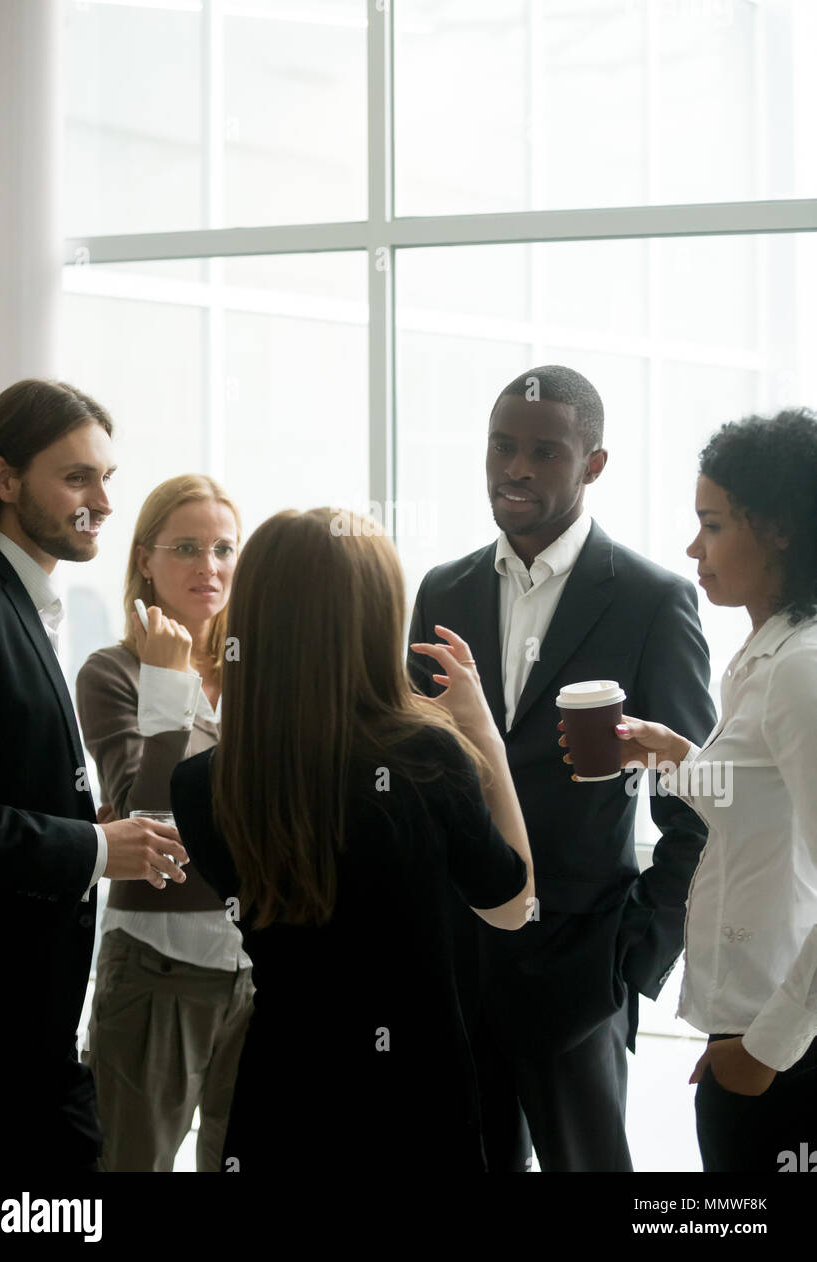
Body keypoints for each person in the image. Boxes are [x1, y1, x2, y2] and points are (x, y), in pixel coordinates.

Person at [407, 365, 716, 1172]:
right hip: (456, 962)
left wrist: (634, 957)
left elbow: (696, 804)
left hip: (583, 970)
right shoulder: (444, 589)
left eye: (545, 453)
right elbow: (417, 776)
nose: (515, 469)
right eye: (502, 447)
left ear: (594, 464)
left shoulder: (652, 600)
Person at [171, 507, 535, 1172]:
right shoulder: (427, 757)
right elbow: (513, 906)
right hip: (414, 1105)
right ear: (372, 624)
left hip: (283, 1095)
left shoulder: (201, 786)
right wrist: (484, 737)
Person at [566, 408, 817, 1172]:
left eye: (712, 524)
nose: (691, 548)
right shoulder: (763, 654)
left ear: (775, 530)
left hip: (782, 1034)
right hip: (749, 1022)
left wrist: (765, 1051)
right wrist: (673, 756)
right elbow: (760, 805)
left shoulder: (801, 669)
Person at [0, 379, 189, 1172]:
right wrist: (94, 850)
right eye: (77, 477)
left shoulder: (24, 601)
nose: (103, 501)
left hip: (35, 1031)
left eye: (108, 478)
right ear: (4, 480)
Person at [76, 475, 255, 1172]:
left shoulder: (261, 672)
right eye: (186, 548)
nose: (208, 567)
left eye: (223, 548)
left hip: (258, 967)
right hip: (156, 969)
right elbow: (148, 816)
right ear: (145, 559)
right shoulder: (111, 672)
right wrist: (166, 681)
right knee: (131, 1167)